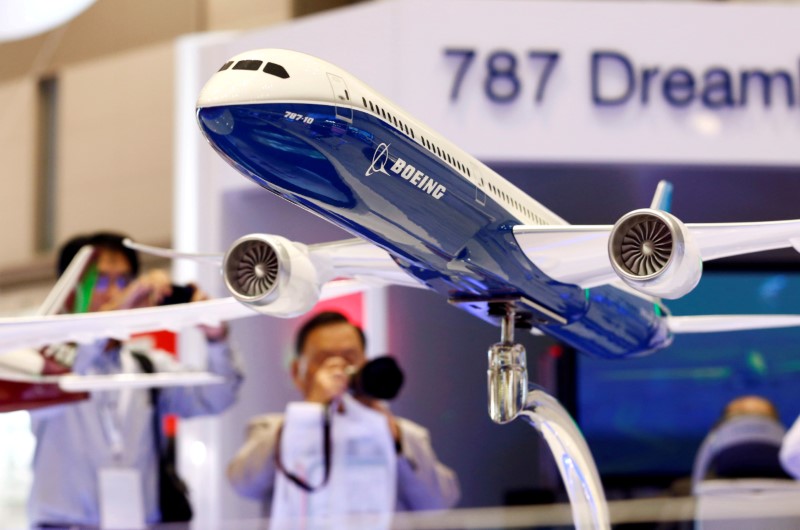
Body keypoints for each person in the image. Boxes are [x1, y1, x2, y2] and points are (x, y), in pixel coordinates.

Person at [27, 232, 244, 528]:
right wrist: (116, 314)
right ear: (70, 290)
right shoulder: (39, 360)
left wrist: (216, 339)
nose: (114, 292)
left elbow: (215, 398)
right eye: (101, 281)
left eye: (123, 281)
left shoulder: (146, 365)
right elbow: (52, 377)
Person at [227, 311, 460, 517]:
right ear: (298, 371)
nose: (338, 370)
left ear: (364, 364)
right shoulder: (270, 428)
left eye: (349, 359)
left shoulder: (404, 433)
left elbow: (438, 503)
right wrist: (311, 409)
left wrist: (396, 440)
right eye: (324, 360)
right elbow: (243, 485)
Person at [692, 395, 790, 491]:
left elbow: (702, 463)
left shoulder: (717, 435)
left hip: (727, 465)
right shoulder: (782, 432)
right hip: (779, 469)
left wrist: (695, 491)